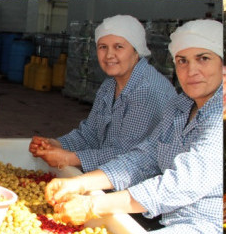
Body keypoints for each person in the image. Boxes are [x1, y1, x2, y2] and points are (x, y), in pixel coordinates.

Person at [44, 19, 223, 234]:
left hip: (213, 232)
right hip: (173, 219)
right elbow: (145, 156)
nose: (191, 70)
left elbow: (180, 185)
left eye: (203, 58)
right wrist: (80, 182)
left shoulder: (221, 114)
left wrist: (94, 203)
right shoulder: (181, 104)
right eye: (182, 61)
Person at [29, 15, 176, 171]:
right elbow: (91, 133)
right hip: (109, 176)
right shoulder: (109, 86)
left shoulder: (147, 91)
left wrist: (69, 158)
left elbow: (128, 157)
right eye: (102, 47)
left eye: (118, 47)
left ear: (136, 50)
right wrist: (58, 144)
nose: (109, 55)